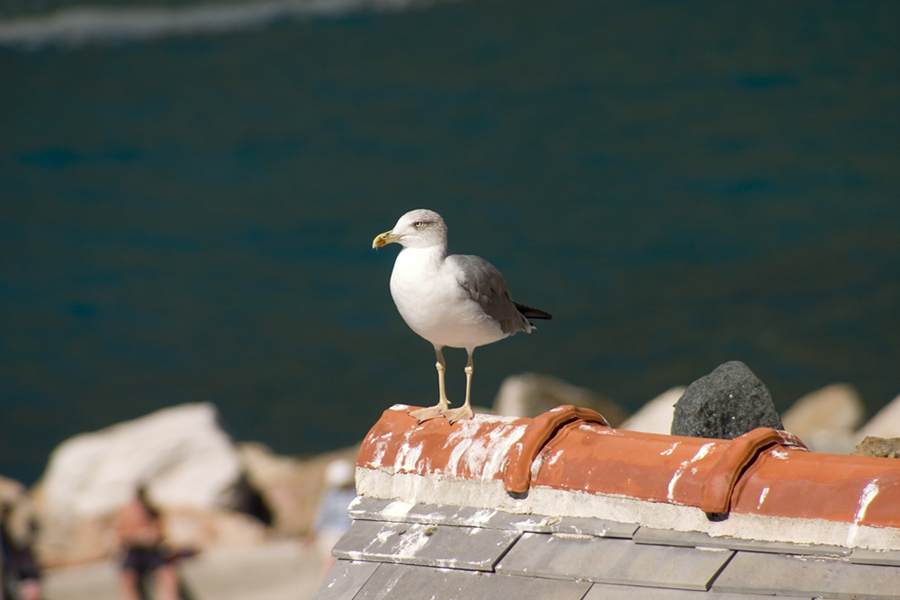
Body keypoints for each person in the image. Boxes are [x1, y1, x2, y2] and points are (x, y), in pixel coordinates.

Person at [114, 486, 177, 600]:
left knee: (168, 574)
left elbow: (162, 532)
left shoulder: (152, 511)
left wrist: (153, 535)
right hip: (134, 550)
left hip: (152, 550)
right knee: (127, 578)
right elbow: (119, 535)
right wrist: (136, 536)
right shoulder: (126, 513)